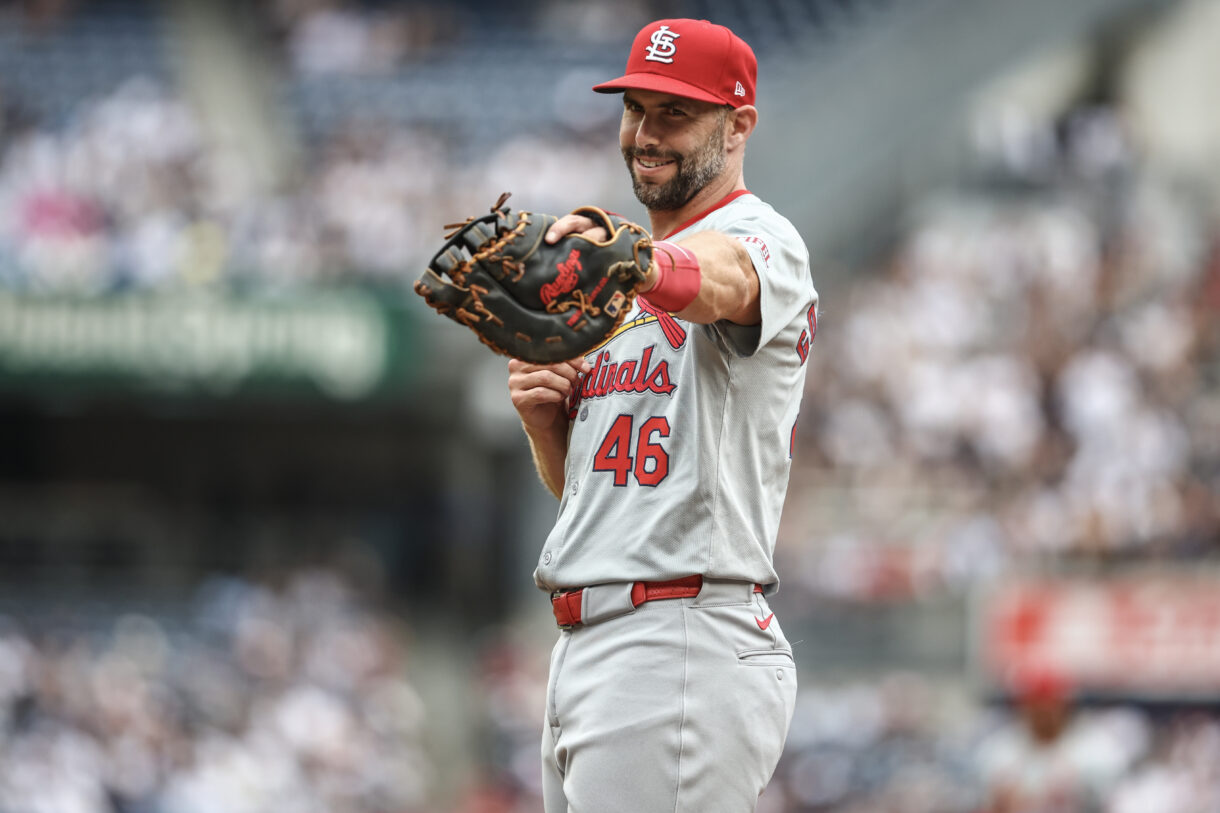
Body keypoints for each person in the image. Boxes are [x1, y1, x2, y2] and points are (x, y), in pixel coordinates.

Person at [506, 18, 818, 812]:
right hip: (597, 640)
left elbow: (718, 283)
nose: (646, 134)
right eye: (636, 109)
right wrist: (550, 427)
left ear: (738, 124)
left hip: (678, 635)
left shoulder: (759, 236)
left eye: (674, 113)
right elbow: (600, 494)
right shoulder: (623, 279)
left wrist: (630, 259)